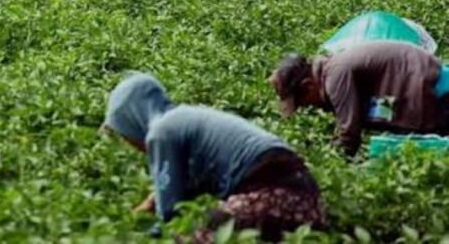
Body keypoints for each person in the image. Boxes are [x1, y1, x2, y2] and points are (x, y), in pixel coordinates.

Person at [103, 73, 326, 242]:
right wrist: (142, 211)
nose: (128, 142)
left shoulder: (161, 132)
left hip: (274, 199)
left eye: (123, 133)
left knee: (194, 236)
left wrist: (134, 235)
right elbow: (181, 187)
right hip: (309, 204)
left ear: (131, 119)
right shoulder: (183, 118)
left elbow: (169, 213)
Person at [271, 41, 449, 157]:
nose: (309, 106)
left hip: (427, 86)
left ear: (308, 86)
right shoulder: (333, 71)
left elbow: (349, 132)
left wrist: (329, 163)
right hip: (419, 84)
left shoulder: (335, 75)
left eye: (303, 102)